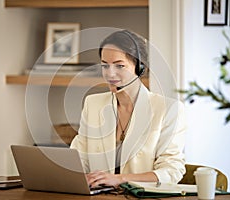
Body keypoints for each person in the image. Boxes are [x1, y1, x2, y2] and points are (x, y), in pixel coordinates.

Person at [70, 30, 186, 188]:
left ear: (139, 68)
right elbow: (78, 158)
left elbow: (172, 171)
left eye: (119, 66)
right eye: (105, 65)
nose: (110, 73)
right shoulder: (93, 104)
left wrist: (120, 179)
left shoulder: (168, 110)